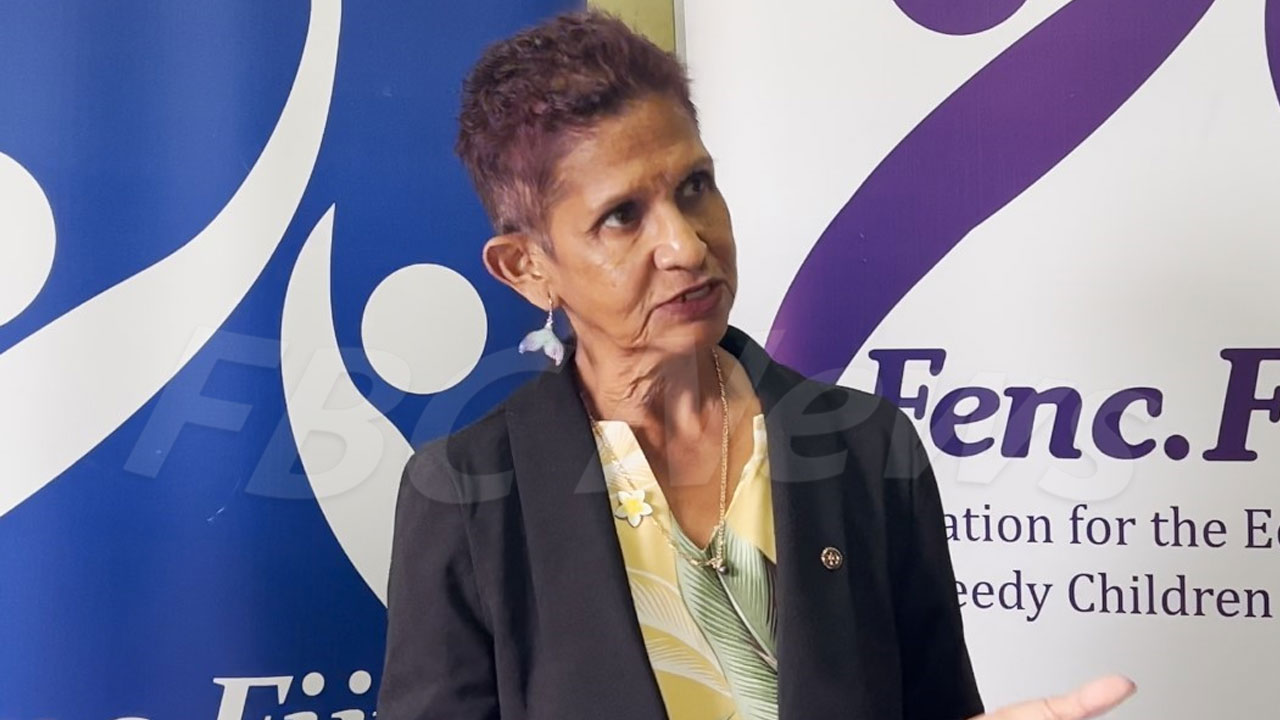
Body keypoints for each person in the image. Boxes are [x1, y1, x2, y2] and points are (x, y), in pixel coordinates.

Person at [376, 10, 1135, 720]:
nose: (686, 245)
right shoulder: (466, 498)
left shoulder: (867, 448)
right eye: (622, 216)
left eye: (694, 188)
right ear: (527, 268)